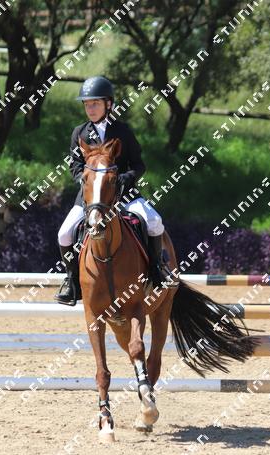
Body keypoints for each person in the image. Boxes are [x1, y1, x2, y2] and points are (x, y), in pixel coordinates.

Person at [55, 75, 177, 306]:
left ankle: (155, 271)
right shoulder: (79, 133)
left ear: (108, 104)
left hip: (124, 194)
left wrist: (124, 179)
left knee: (154, 221)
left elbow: (138, 165)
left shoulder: (123, 131)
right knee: (64, 233)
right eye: (87, 104)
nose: (90, 109)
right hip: (92, 198)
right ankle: (72, 282)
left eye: (95, 104)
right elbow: (75, 166)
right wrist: (89, 181)